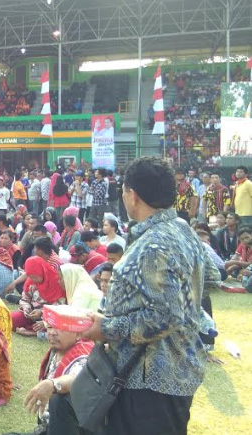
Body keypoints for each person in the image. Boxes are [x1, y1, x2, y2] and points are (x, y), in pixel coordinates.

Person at [81, 157, 220, 435]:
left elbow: (166, 316)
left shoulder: (154, 244)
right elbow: (210, 280)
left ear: (133, 195)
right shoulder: (182, 229)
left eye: (123, 191)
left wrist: (106, 327)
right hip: (171, 372)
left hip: (150, 383)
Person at [9, 317, 94, 435]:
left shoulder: (83, 356)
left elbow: (79, 378)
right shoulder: (56, 351)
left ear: (78, 334)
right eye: (50, 327)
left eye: (61, 328)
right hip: (52, 425)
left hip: (71, 429)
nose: (52, 332)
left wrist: (53, 384)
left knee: (58, 400)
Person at [12, 238, 66, 336]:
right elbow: (25, 299)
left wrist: (41, 313)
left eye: (35, 276)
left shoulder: (56, 280)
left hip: (48, 315)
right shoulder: (31, 282)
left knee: (55, 326)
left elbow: (59, 304)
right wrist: (27, 310)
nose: (34, 279)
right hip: (32, 314)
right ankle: (32, 328)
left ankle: (31, 331)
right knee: (12, 319)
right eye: (31, 276)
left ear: (42, 271)